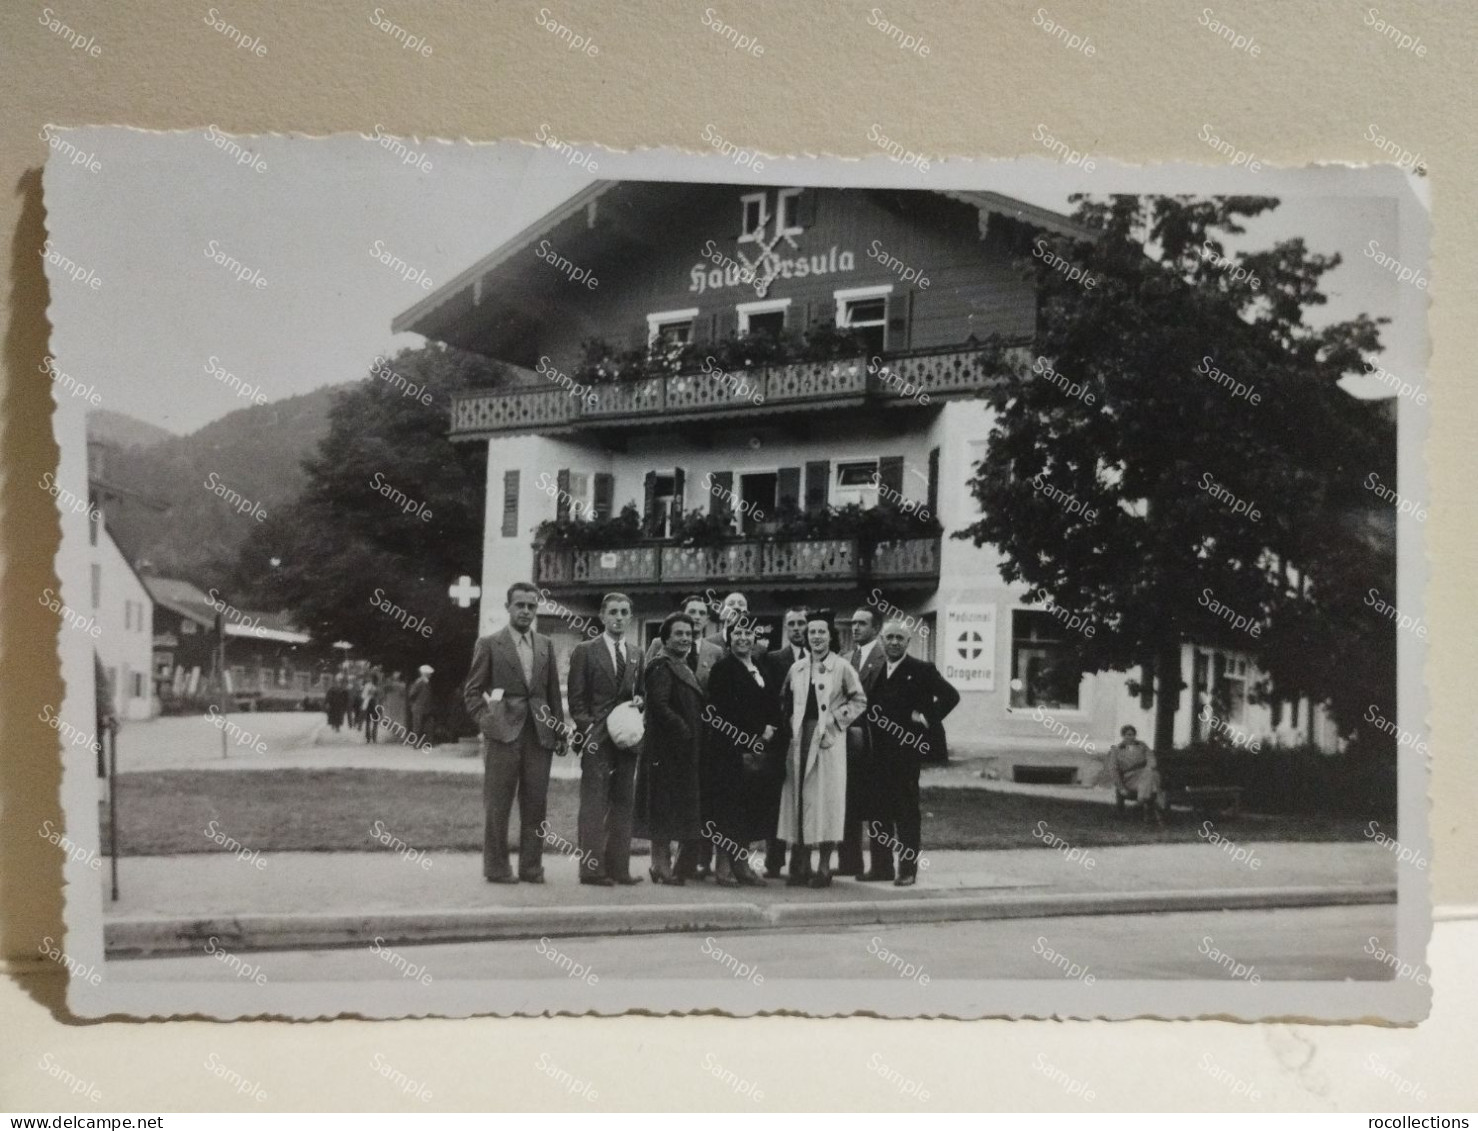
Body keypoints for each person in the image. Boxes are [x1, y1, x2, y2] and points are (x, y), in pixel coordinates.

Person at [462, 582, 566, 883]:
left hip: (539, 735)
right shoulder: (490, 643)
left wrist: (558, 731)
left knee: (536, 803)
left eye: (531, 606)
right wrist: (488, 721)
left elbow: (551, 695)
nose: (525, 611)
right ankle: (496, 868)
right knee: (498, 804)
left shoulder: (545, 644)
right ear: (508, 607)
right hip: (503, 735)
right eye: (519, 605)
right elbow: (472, 692)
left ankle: (531, 868)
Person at [867, 619, 961, 885]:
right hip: (878, 752)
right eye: (890, 637)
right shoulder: (877, 669)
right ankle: (880, 867)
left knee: (906, 811)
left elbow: (951, 696)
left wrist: (925, 717)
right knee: (878, 809)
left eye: (900, 638)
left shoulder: (921, 670)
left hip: (906, 752)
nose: (894, 642)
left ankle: (907, 870)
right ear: (882, 641)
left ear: (908, 642)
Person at [778, 614, 867, 887]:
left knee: (827, 802)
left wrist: (835, 722)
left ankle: (825, 867)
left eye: (822, 632)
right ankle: (800, 863)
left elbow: (859, 700)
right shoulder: (798, 668)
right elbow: (785, 699)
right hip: (800, 739)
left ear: (831, 636)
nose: (816, 637)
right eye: (812, 632)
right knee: (799, 800)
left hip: (827, 740)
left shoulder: (841, 667)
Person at [569, 592, 646, 887]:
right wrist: (588, 728)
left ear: (629, 616)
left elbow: (640, 692)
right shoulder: (585, 651)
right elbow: (577, 699)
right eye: (613, 611)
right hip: (596, 738)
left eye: (624, 612)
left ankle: (619, 868)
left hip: (627, 738)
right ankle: (592, 869)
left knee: (624, 802)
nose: (618, 617)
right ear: (602, 616)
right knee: (594, 803)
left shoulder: (637, 653)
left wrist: (639, 701)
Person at [703, 620, 783, 887]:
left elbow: (772, 703)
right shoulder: (723, 669)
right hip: (729, 749)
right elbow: (723, 710)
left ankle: (742, 865)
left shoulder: (760, 667)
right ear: (729, 637)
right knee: (728, 809)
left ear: (754, 637)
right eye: (737, 633)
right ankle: (723, 867)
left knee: (749, 809)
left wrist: (771, 728)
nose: (743, 638)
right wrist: (756, 731)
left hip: (758, 750)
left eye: (748, 633)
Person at [634, 612, 706, 884]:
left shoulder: (682, 664)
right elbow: (659, 706)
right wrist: (684, 729)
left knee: (672, 808)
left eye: (688, 634)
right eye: (679, 633)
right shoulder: (661, 666)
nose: (685, 638)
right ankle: (660, 867)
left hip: (682, 751)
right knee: (661, 809)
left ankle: (668, 867)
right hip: (664, 751)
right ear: (666, 637)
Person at [760, 605, 809, 879]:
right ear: (785, 628)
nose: (797, 629)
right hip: (780, 740)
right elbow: (769, 697)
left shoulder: (819, 659)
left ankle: (801, 863)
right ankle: (773, 861)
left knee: (805, 798)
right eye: (792, 624)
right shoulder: (774, 658)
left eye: (802, 623)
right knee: (776, 800)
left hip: (808, 739)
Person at [841, 608, 888, 879]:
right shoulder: (848, 658)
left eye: (862, 623)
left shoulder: (883, 659)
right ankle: (849, 861)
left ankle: (881, 865)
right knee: (848, 801)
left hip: (875, 743)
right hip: (849, 741)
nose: (855, 628)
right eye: (854, 623)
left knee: (877, 805)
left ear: (876, 627)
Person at [646, 594, 723, 691]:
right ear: (682, 615)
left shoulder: (715, 651)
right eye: (692, 612)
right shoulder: (661, 643)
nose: (697, 617)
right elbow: (646, 680)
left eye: (702, 613)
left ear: (707, 620)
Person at [1107, 724, 1163, 824]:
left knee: (1150, 773)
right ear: (1123, 736)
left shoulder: (1142, 745)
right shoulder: (1116, 750)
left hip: (1145, 774)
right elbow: (1113, 770)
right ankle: (1152, 805)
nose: (1130, 737)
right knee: (1153, 777)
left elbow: (1151, 759)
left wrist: (1148, 767)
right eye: (1128, 735)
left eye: (1132, 735)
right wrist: (1121, 788)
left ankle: (1141, 801)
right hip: (1130, 779)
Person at [408, 665, 434, 747]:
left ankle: (427, 743)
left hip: (426, 708)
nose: (430, 675)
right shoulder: (419, 682)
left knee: (428, 726)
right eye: (429, 673)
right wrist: (415, 704)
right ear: (424, 674)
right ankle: (416, 744)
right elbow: (411, 694)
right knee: (417, 726)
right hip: (418, 708)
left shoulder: (427, 682)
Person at [379, 670, 408, 742]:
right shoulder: (402, 685)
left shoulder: (389, 686)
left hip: (393, 704)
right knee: (399, 720)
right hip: (398, 704)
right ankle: (399, 736)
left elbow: (383, 694)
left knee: (393, 719)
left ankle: (395, 735)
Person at [360, 675, 380, 743]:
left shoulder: (377, 686)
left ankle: (373, 737)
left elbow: (381, 696)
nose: (375, 681)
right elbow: (364, 695)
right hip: (369, 704)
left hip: (375, 704)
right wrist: (369, 696)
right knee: (369, 721)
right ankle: (369, 737)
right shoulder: (368, 686)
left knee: (375, 721)